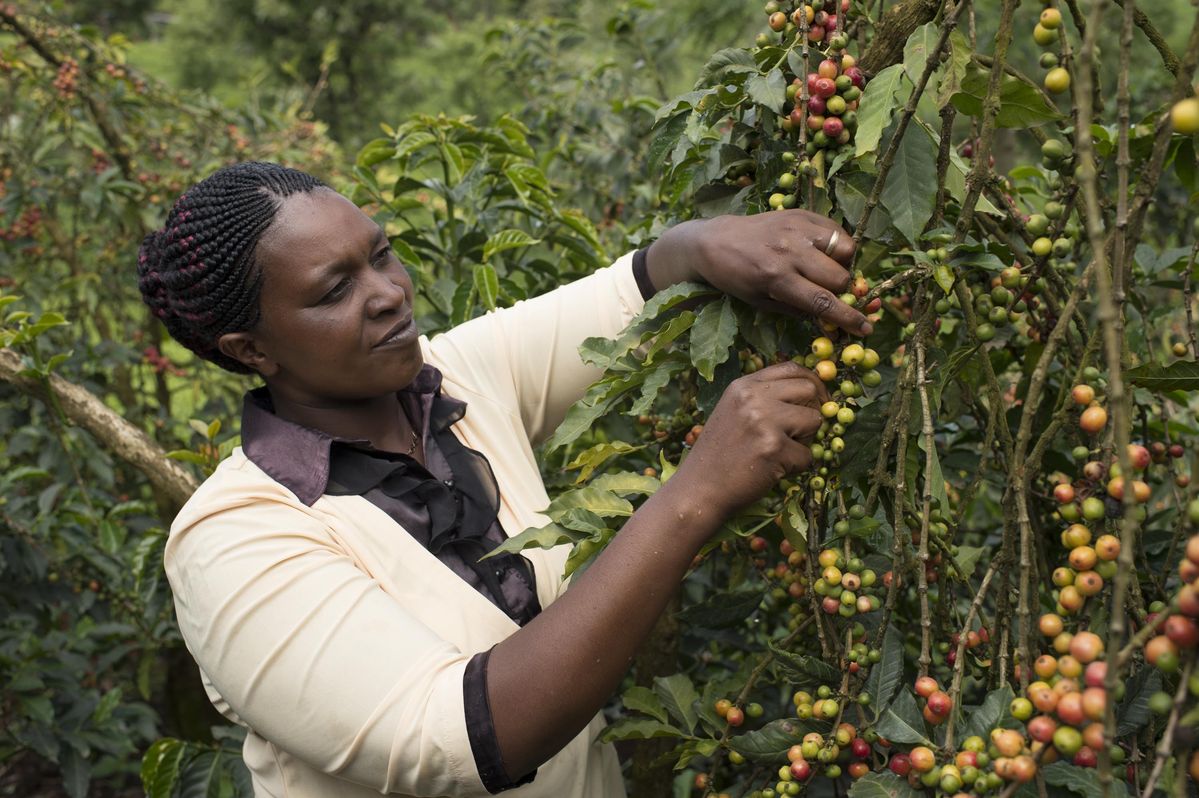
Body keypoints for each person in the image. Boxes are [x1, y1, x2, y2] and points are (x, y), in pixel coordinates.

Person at [137, 161, 868, 798]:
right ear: (251, 349)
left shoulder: (450, 381)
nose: (388, 293)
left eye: (381, 254)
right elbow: (463, 740)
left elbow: (634, 288)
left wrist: (705, 241)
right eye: (333, 291)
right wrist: (695, 494)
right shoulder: (233, 542)